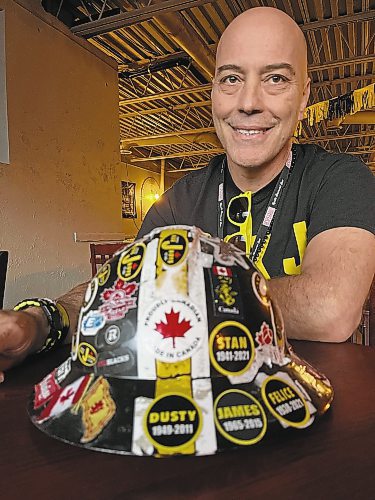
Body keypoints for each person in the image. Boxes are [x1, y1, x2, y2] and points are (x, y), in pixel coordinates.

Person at [0, 7, 374, 382]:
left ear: (304, 95)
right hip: (195, 412)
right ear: (213, 91)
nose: (247, 102)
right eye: (231, 79)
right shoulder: (179, 200)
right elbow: (116, 289)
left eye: (275, 78)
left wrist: (170, 293)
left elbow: (330, 309)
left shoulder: (340, 179)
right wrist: (39, 322)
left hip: (314, 414)